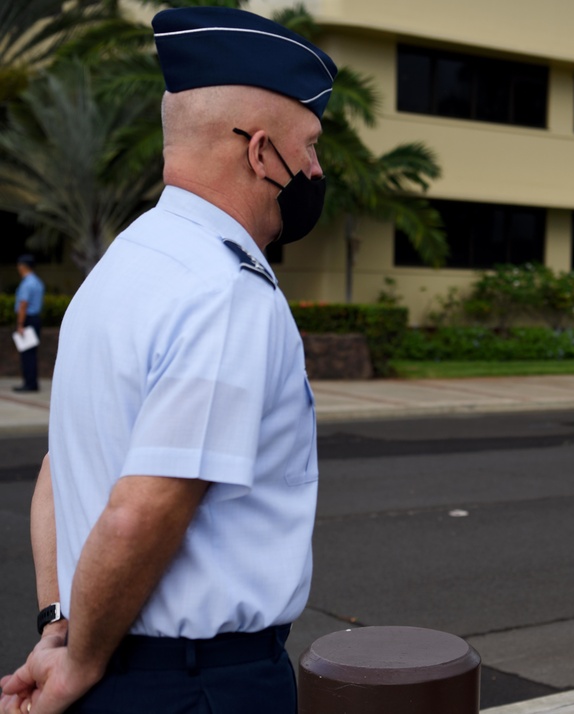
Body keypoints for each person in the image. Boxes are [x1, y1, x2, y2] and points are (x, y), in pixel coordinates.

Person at [0, 6, 337, 714]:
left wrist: (60, 628)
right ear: (259, 152)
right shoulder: (226, 292)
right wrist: (78, 662)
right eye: (308, 146)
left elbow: (60, 469)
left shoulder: (121, 269)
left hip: (115, 668)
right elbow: (142, 510)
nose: (315, 168)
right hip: (200, 687)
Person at [13, 254, 44, 393]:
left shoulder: (27, 283)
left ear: (23, 266)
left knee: (27, 353)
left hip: (28, 319)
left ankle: (29, 383)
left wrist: (20, 324)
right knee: (32, 352)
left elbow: (23, 305)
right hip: (36, 318)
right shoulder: (37, 282)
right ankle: (32, 382)